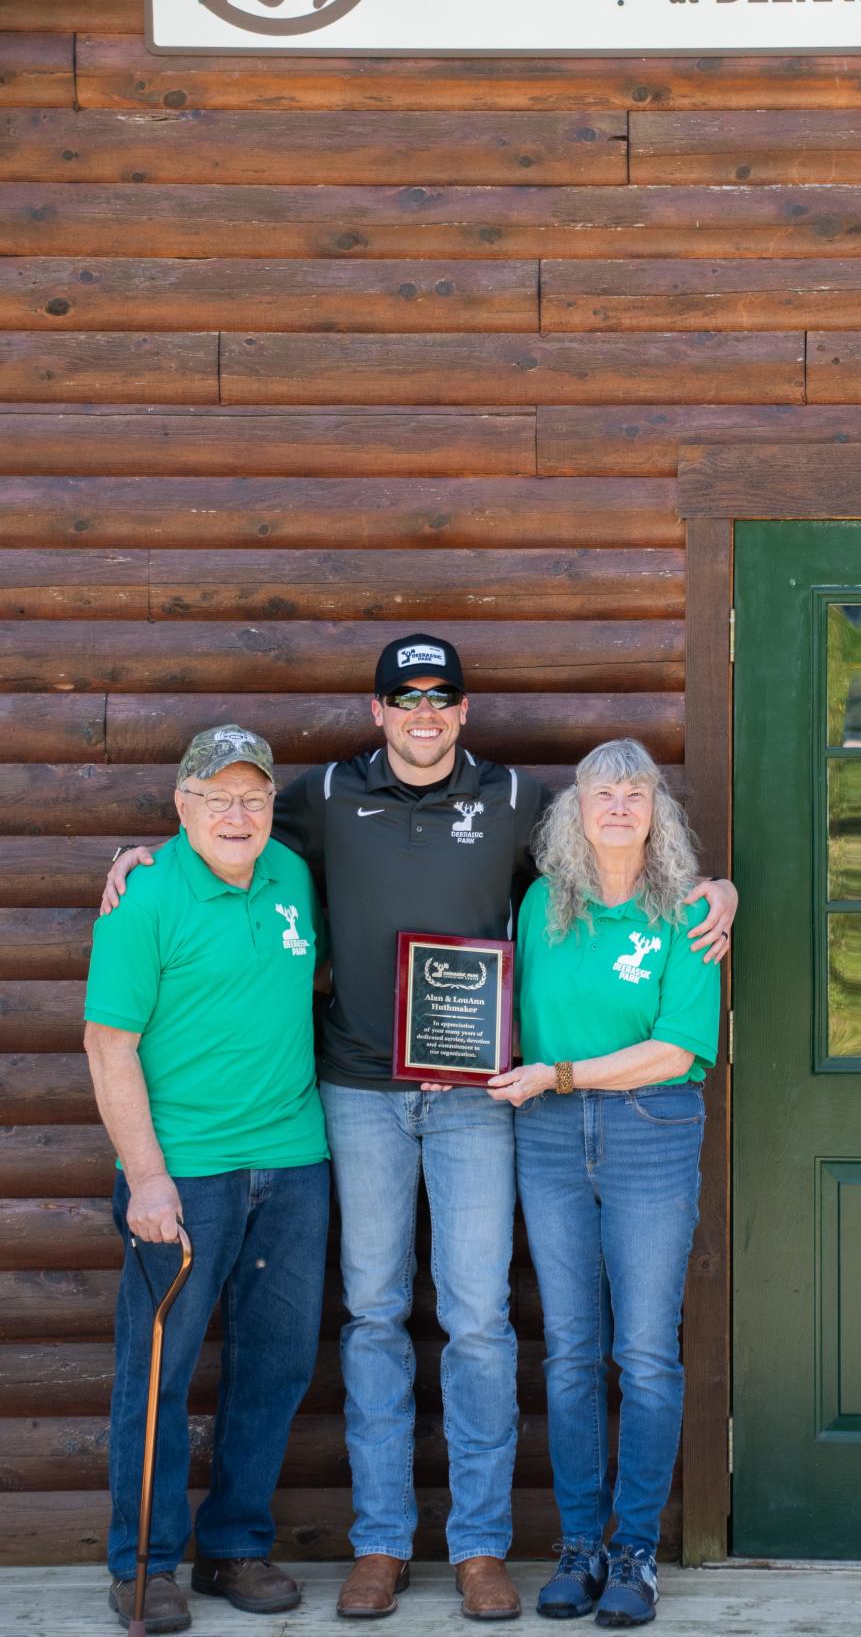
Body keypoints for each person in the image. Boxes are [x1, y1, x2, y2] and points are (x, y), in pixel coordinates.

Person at [102, 636, 737, 1622]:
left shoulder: (523, 801)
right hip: (355, 1096)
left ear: (465, 711)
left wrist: (719, 892)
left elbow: (625, 846)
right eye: (408, 699)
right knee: (372, 1315)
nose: (426, 713)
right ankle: (383, 1543)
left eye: (443, 697)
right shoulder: (319, 797)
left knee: (478, 1319)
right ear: (380, 710)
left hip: (479, 1098)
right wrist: (137, 854)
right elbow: (226, 827)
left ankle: (480, 1547)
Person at [85, 725, 329, 1634]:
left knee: (276, 1363)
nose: (237, 812)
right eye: (217, 796)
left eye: (253, 796)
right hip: (184, 1175)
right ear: (181, 805)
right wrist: (146, 1180)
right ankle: (143, 1565)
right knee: (158, 1369)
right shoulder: (145, 898)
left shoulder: (293, 878)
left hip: (295, 1165)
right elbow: (107, 1048)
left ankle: (234, 1547)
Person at [487, 740, 721, 1629]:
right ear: (572, 812)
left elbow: (675, 1047)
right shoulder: (545, 904)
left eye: (635, 791)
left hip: (651, 1131)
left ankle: (634, 1552)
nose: (618, 804)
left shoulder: (689, 910)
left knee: (647, 1355)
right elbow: (500, 1009)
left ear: (657, 810)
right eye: (600, 792)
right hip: (547, 1137)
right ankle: (579, 1546)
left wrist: (564, 1075)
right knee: (573, 1350)